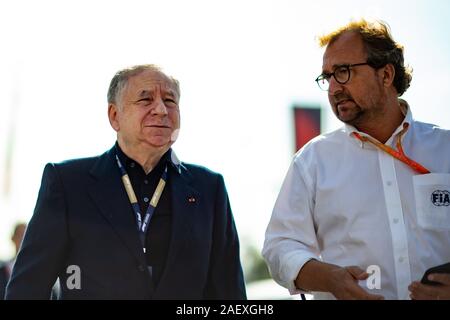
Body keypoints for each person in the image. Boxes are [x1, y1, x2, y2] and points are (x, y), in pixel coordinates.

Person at [6, 64, 246, 300]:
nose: (161, 110)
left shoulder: (208, 188)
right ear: (114, 116)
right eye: (145, 100)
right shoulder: (68, 183)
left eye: (170, 101)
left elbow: (229, 291)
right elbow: (28, 287)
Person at [262, 19, 450, 300]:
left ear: (386, 75)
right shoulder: (312, 160)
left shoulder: (445, 148)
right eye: (327, 77)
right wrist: (330, 279)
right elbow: (280, 247)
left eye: (343, 72)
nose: (333, 88)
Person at [0, 223, 26, 299]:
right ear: (13, 238)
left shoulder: (39, 270)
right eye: (20, 235)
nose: (22, 240)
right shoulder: (3, 270)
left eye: (25, 236)